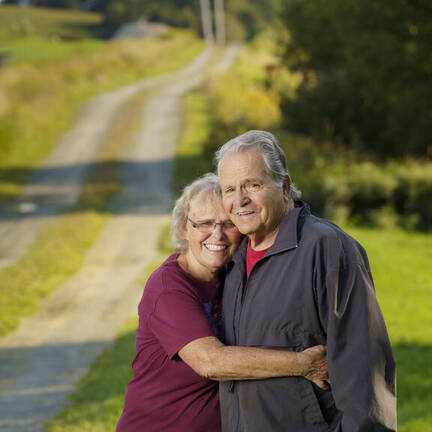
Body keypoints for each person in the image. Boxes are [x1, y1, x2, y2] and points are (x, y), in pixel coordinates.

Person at [116, 173, 329, 432]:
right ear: (185, 228)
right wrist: (304, 364)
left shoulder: (234, 276)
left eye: (228, 224)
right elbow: (210, 362)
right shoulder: (169, 287)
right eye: (204, 223)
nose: (217, 235)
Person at [216, 130, 397, 432]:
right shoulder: (232, 259)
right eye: (229, 189)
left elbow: (364, 369)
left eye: (253, 185)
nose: (240, 200)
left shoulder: (327, 248)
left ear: (284, 185)